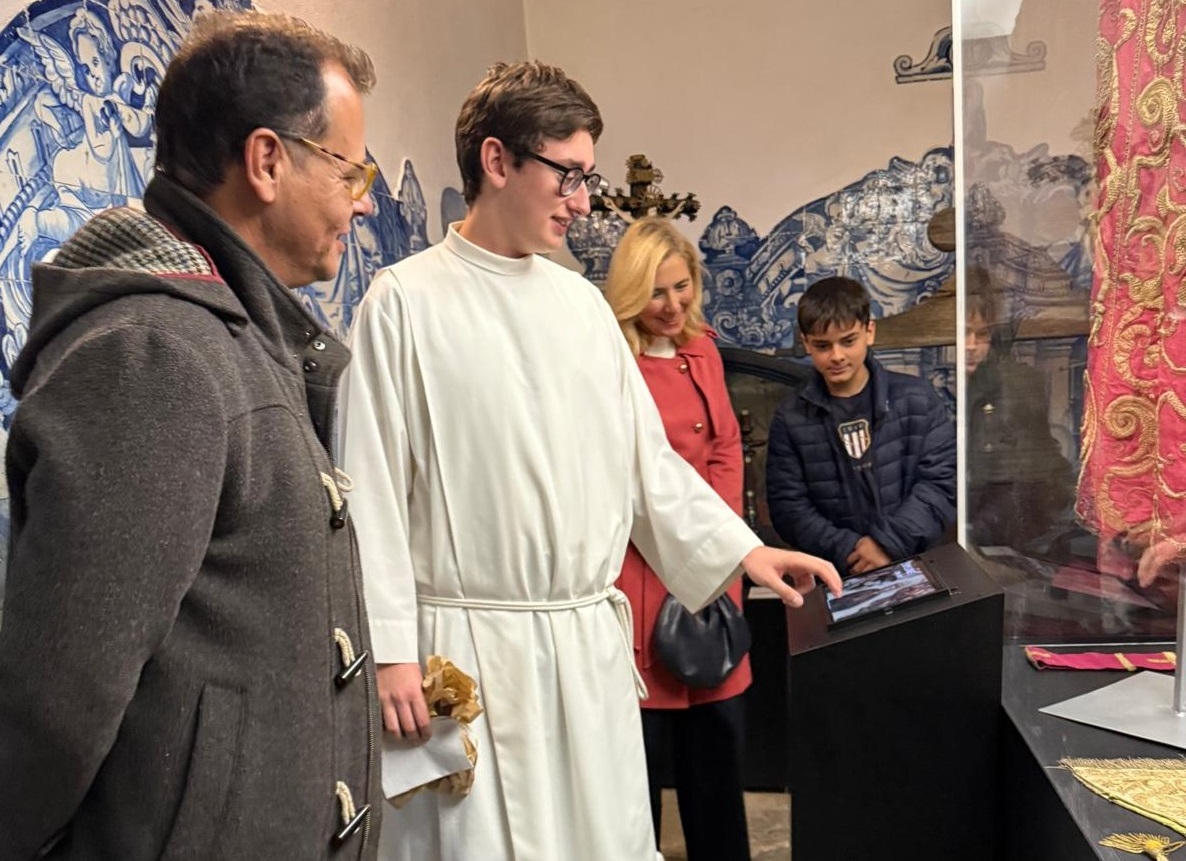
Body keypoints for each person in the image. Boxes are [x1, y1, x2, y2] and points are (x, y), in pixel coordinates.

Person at [340, 61, 841, 861]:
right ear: (498, 161)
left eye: (589, 176)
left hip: (582, 648)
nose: (583, 201)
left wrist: (745, 548)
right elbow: (368, 494)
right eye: (567, 175)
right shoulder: (402, 304)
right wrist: (394, 650)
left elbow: (646, 464)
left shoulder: (579, 306)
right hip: (467, 652)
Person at [0, 12, 382, 860]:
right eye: (349, 169)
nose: (360, 201)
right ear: (268, 161)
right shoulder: (155, 355)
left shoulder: (233, 335)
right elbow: (58, 693)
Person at [604, 216, 753, 861]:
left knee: (717, 755)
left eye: (682, 287)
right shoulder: (611, 359)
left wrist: (720, 552)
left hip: (711, 570)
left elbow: (725, 449)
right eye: (656, 292)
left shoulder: (705, 351)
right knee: (639, 765)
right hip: (639, 576)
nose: (672, 306)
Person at [766, 275, 956, 576]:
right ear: (806, 343)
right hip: (838, 574)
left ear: (869, 331)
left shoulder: (918, 399)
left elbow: (942, 483)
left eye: (848, 341)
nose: (837, 356)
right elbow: (789, 508)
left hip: (917, 566)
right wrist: (850, 549)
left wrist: (887, 542)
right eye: (822, 345)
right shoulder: (790, 418)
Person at [964, 269, 1074, 548]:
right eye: (963, 333)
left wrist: (982, 527)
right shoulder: (925, 391)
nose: (971, 346)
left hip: (1002, 529)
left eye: (981, 335)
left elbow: (1029, 471)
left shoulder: (1016, 385)